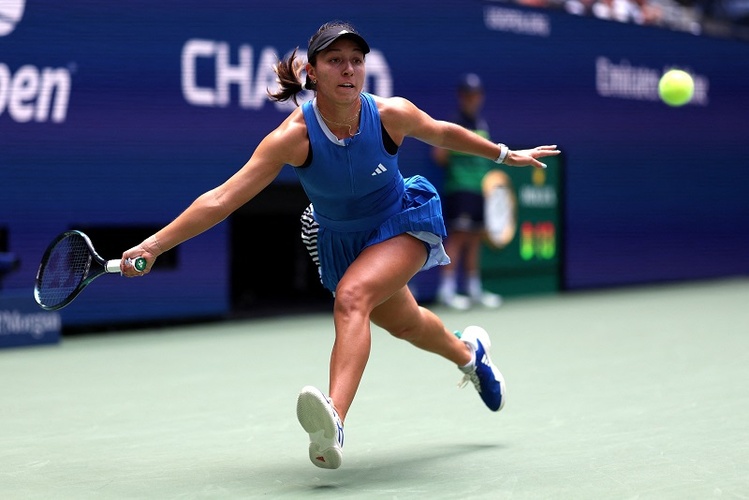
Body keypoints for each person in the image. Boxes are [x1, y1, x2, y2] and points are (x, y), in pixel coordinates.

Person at [120, 21, 559, 470]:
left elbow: (444, 133)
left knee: (352, 299)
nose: (348, 69)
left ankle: (334, 420)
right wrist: (154, 246)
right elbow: (222, 198)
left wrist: (505, 153)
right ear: (312, 72)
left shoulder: (390, 114)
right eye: (335, 61)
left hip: (401, 221)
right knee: (406, 323)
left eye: (356, 60)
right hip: (342, 240)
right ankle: (471, 355)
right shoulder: (293, 137)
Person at [432, 73, 505, 311]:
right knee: (459, 236)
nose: (471, 99)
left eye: (475, 95)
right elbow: (439, 155)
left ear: (480, 97)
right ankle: (447, 290)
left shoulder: (482, 125)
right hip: (460, 189)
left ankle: (474, 289)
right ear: (461, 97)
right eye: (467, 95)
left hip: (479, 190)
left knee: (475, 239)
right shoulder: (454, 124)